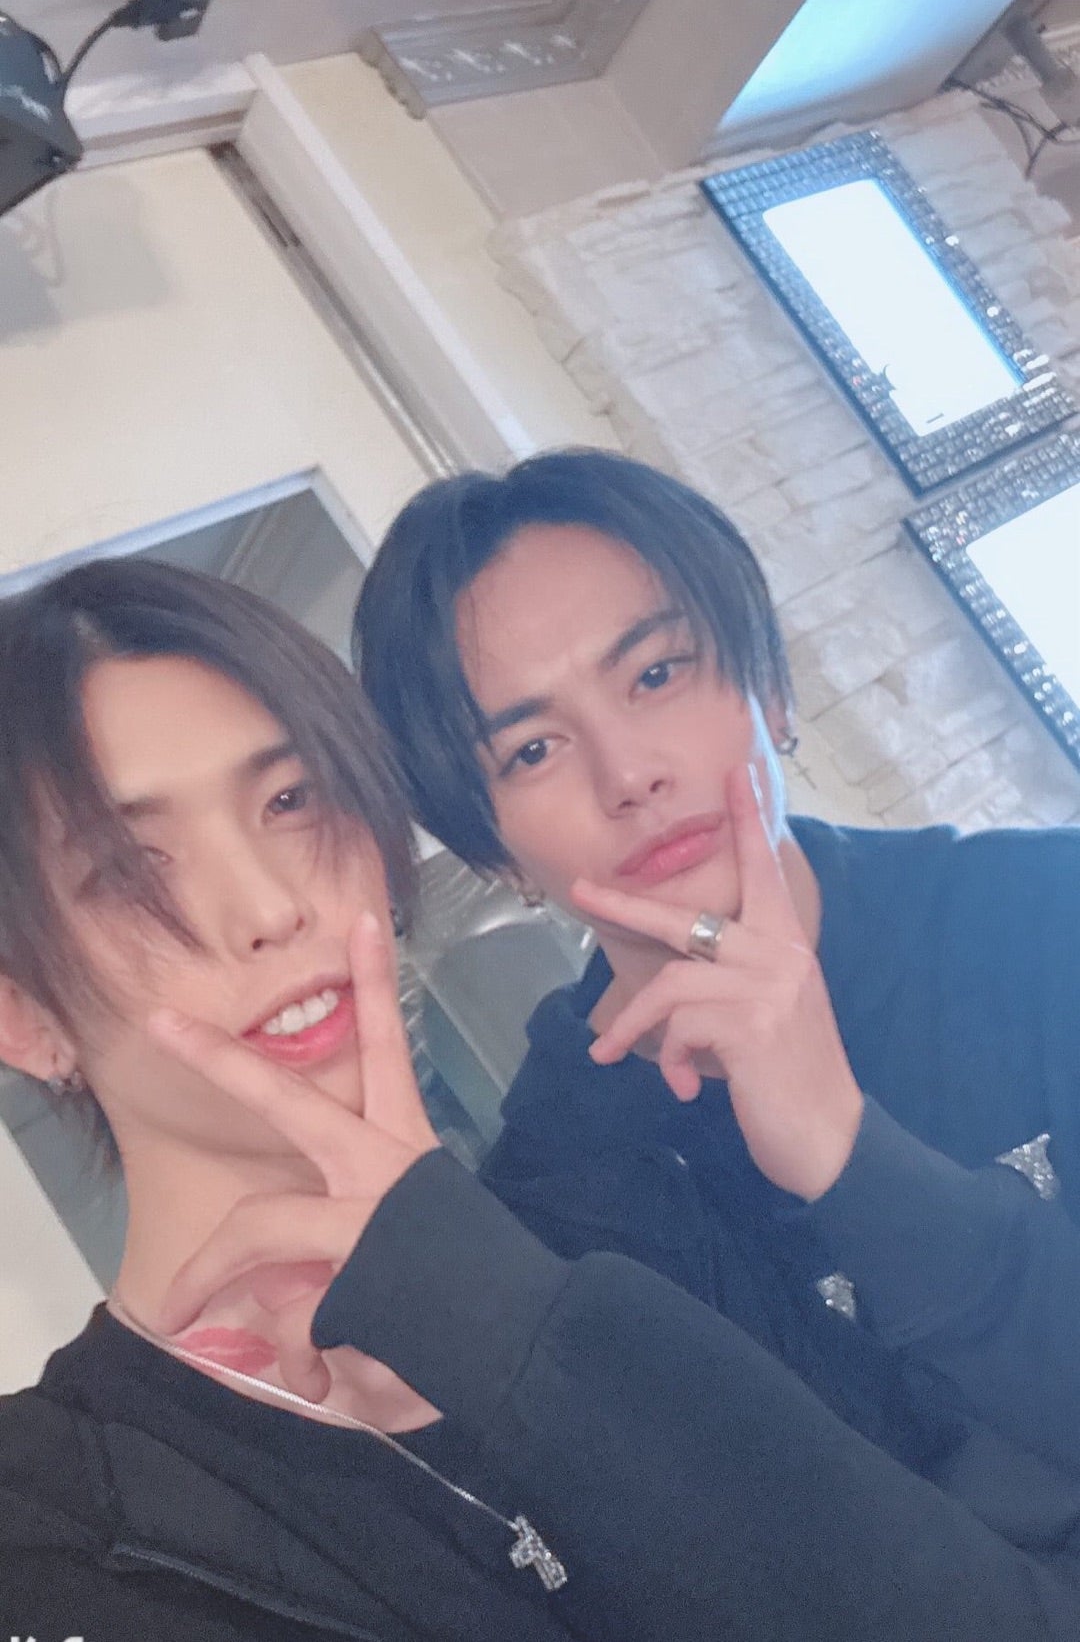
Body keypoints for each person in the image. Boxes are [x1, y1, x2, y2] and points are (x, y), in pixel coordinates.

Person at [5, 560, 1080, 1642]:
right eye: (127, 869)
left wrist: (503, 1320)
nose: (270, 906)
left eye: (291, 801)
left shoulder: (626, 1228)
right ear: (20, 1014)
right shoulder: (55, 1523)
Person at [356, 446, 1080, 1486]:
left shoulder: (1043, 911)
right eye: (532, 750)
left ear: (770, 687)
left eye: (655, 675)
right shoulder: (558, 1201)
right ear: (494, 855)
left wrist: (845, 1148)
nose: (628, 774)